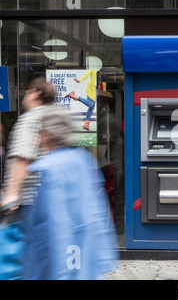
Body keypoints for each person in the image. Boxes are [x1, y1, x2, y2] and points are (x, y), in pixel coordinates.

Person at [21, 108, 118, 279]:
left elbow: (59, 225)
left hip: (61, 263)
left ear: (47, 135)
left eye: (40, 132)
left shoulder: (49, 168)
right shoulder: (83, 160)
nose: (37, 136)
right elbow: (97, 213)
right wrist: (104, 257)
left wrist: (63, 272)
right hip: (83, 257)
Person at [0, 77, 56, 218]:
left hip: (28, 200)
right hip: (49, 197)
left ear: (36, 94)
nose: (24, 98)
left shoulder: (30, 119)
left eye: (27, 92)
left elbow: (23, 158)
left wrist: (11, 195)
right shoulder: (54, 119)